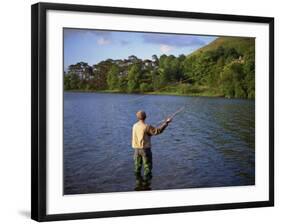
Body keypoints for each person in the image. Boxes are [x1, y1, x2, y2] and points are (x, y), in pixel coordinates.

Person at [132, 110, 172, 183]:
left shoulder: (134, 126)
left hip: (136, 150)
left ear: (137, 117)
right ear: (145, 117)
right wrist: (166, 123)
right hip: (145, 150)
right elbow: (158, 131)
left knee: (137, 168)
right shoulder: (147, 126)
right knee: (147, 168)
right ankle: (146, 185)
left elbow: (144, 134)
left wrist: (148, 133)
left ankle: (138, 184)